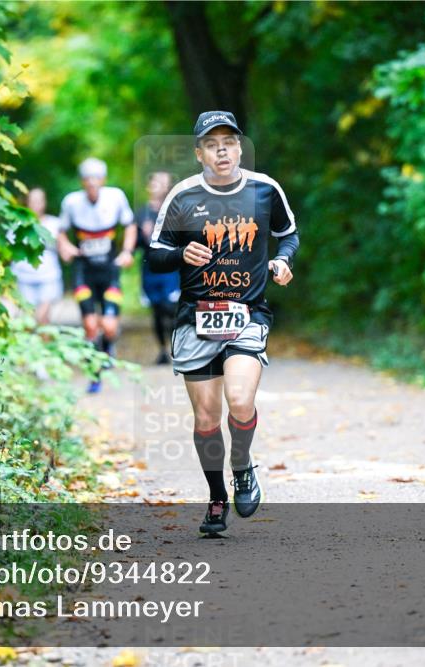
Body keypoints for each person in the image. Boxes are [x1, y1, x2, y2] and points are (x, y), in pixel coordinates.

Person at [148, 111, 299, 536]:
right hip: (195, 318)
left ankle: (243, 466)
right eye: (212, 143)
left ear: (239, 147)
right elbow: (154, 255)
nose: (222, 150)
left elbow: (289, 233)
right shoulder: (181, 196)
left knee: (238, 399)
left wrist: (283, 260)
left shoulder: (264, 189)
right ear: (199, 153)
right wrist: (181, 255)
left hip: (248, 312)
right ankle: (217, 497)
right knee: (207, 418)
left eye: (229, 142)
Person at [57, 158, 136, 393]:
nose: (92, 183)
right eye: (87, 179)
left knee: (109, 326)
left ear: (103, 180)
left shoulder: (116, 197)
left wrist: (127, 251)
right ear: (82, 182)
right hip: (84, 271)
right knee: (91, 326)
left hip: (109, 269)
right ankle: (95, 374)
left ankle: (109, 346)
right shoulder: (71, 202)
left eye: (96, 179)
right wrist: (66, 247)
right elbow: (61, 232)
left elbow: (130, 225)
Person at [135, 171, 180, 365]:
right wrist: (142, 234)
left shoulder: (175, 210)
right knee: (156, 311)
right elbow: (133, 243)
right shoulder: (141, 213)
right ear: (149, 185)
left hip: (170, 267)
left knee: (169, 307)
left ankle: (176, 346)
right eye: (157, 182)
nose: (160, 186)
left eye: (165, 183)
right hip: (149, 267)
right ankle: (163, 349)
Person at [11, 187, 63, 325]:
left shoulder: (55, 224)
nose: (36, 204)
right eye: (33, 201)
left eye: (39, 201)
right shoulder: (17, 224)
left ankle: (44, 345)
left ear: (44, 202)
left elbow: (63, 247)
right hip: (23, 277)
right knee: (27, 320)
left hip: (49, 276)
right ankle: (30, 346)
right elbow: (11, 251)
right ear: (27, 202)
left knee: (42, 318)